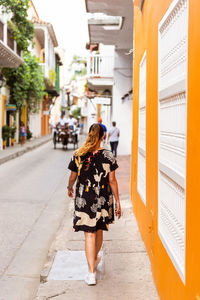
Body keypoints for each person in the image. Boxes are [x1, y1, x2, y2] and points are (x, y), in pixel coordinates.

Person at [67, 123, 121, 286]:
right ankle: (94, 260)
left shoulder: (78, 154)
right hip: (103, 198)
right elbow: (112, 180)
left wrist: (70, 188)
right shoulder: (108, 156)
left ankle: (91, 272)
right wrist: (118, 201)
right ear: (103, 136)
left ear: (90, 134)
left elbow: (72, 177)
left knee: (89, 234)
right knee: (98, 230)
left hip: (85, 197)